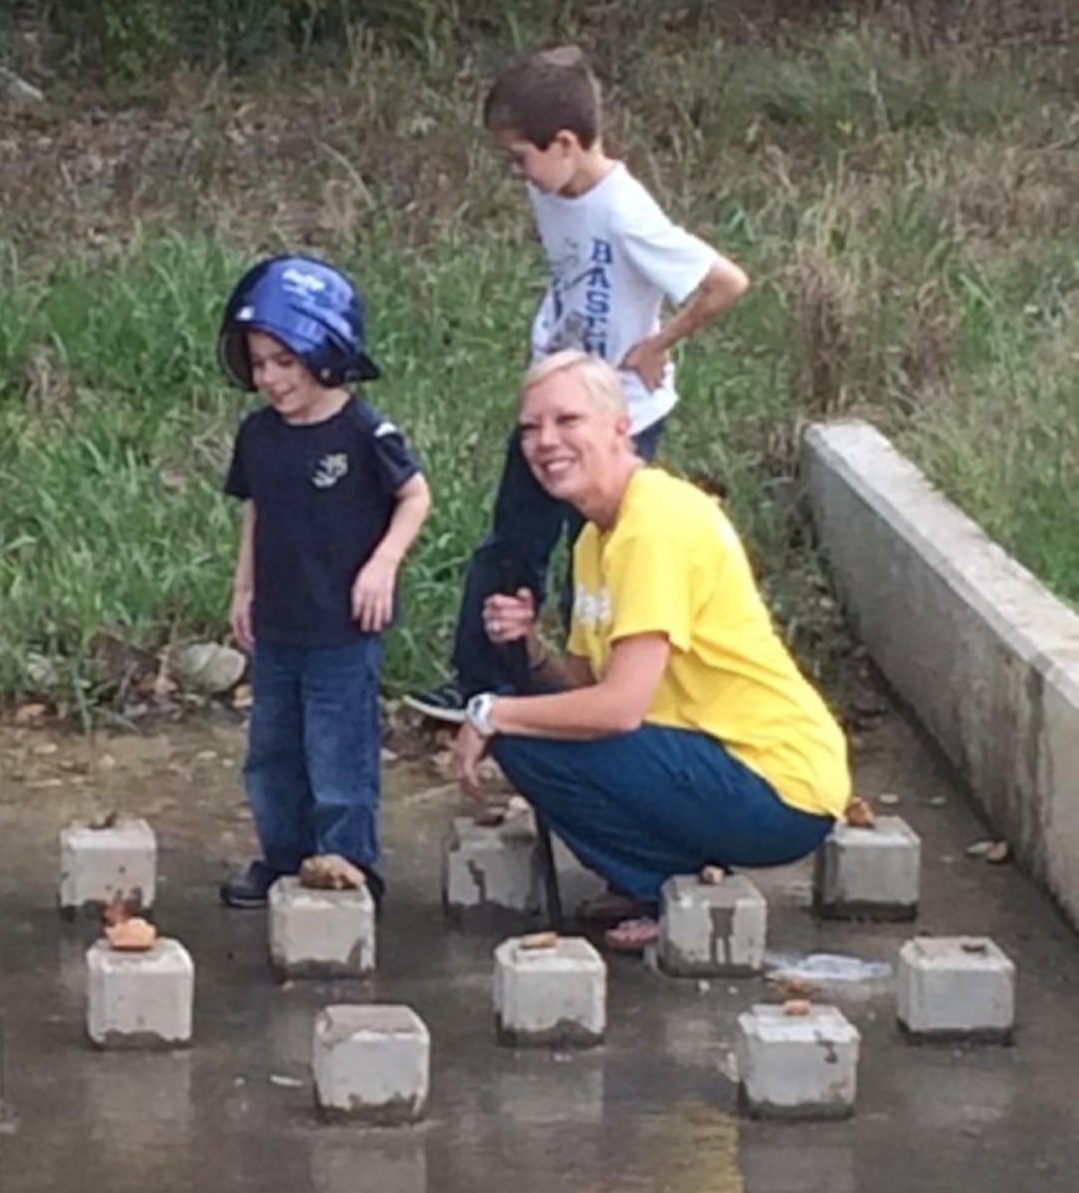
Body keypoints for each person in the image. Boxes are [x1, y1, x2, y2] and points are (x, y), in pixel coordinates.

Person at [447, 351, 850, 950]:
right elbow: (580, 696)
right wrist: (529, 647)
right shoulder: (593, 539)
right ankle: (662, 876)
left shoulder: (652, 525)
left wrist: (489, 713)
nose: (545, 442)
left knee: (517, 731)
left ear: (619, 428)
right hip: (710, 759)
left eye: (567, 421)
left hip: (776, 781)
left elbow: (617, 711)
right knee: (530, 728)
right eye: (530, 428)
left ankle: (661, 884)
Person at [410, 46, 749, 722]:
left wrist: (659, 343)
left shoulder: (627, 214)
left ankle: (582, 693)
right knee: (511, 542)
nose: (517, 174)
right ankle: (483, 679)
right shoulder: (551, 186)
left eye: (520, 157)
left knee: (591, 556)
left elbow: (726, 282)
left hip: (616, 414)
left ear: (566, 144)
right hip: (553, 397)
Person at [215, 256, 433, 908]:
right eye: (259, 364)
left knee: (340, 748)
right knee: (273, 749)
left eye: (285, 361)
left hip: (343, 626)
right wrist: (243, 588)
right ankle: (282, 856)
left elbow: (415, 496)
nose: (271, 379)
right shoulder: (258, 434)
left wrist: (384, 562)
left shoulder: (364, 431)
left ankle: (346, 859)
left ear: (327, 352)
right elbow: (257, 509)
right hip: (280, 621)